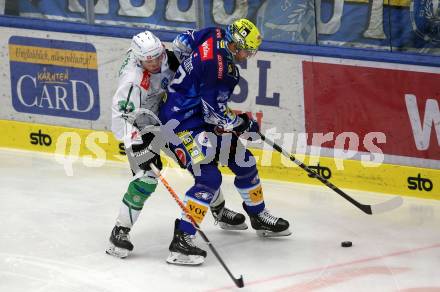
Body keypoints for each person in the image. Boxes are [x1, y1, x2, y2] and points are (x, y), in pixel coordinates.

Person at [160, 19, 291, 266]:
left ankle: (258, 215)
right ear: (234, 45)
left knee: (244, 161)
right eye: (247, 50)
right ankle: (182, 240)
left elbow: (181, 43)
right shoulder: (222, 73)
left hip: (196, 116)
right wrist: (242, 124)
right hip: (179, 124)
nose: (249, 54)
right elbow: (215, 114)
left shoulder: (214, 33)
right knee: (209, 178)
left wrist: (188, 75)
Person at [106, 30, 247, 259]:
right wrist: (139, 146)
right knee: (146, 178)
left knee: (201, 161)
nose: (153, 63)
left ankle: (219, 212)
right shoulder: (132, 81)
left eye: (157, 57)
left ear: (162, 49)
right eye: (147, 60)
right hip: (141, 128)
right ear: (138, 58)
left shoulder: (167, 57)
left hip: (170, 119)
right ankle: (120, 231)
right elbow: (120, 120)